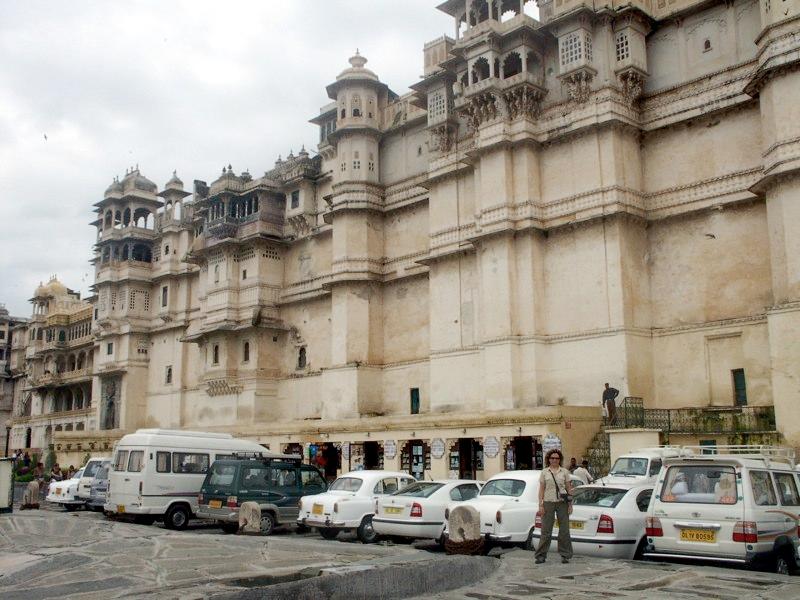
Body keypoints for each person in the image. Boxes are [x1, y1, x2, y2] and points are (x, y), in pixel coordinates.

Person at [535, 449, 574, 564]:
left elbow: (569, 488)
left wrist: (570, 504)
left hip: (562, 502)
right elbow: (541, 489)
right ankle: (541, 555)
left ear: (559, 460)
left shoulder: (565, 472)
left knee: (564, 530)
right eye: (552, 458)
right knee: (546, 530)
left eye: (557, 458)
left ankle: (565, 555)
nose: (554, 460)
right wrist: (540, 504)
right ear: (548, 459)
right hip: (548, 502)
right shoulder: (544, 472)